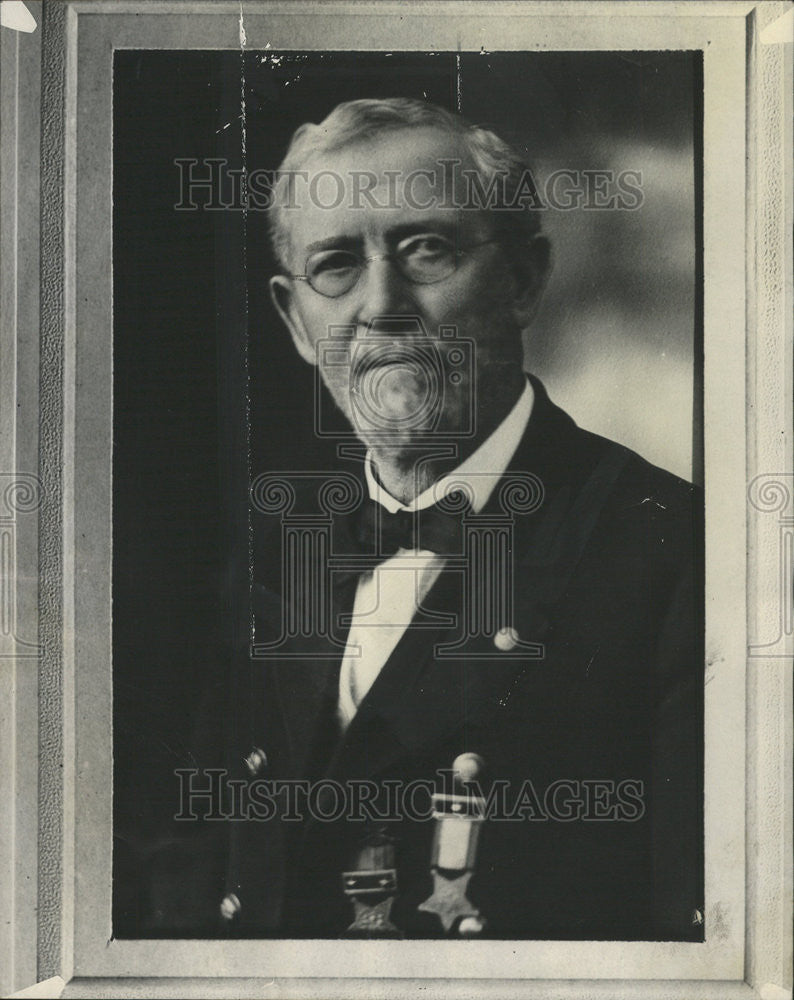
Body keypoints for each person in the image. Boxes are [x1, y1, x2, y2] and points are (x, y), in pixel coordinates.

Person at [207, 98, 703, 940]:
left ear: (523, 280)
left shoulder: (677, 553)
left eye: (425, 250)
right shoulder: (260, 567)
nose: (382, 306)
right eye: (337, 266)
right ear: (296, 322)